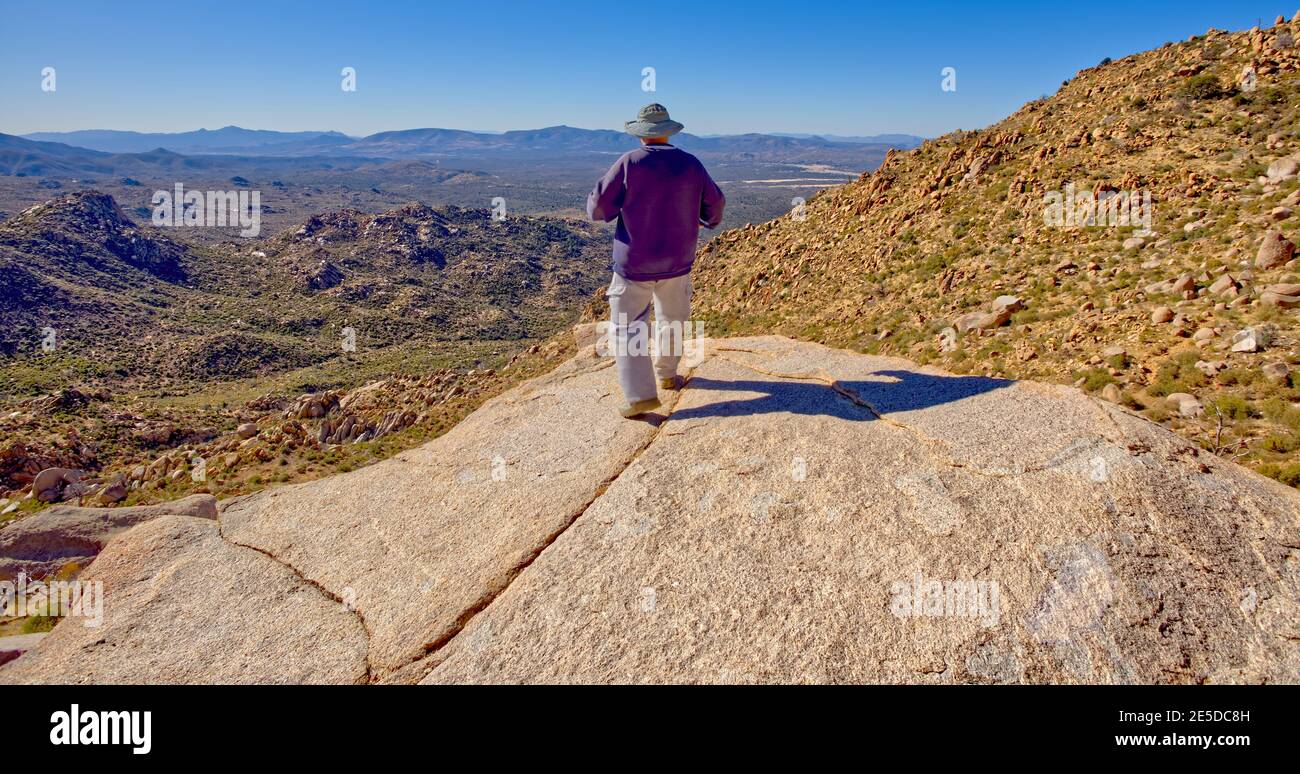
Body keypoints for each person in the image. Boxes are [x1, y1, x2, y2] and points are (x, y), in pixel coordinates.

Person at [586, 103, 726, 418]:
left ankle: (640, 396)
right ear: (668, 132)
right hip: (678, 259)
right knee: (673, 318)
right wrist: (706, 220)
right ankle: (667, 374)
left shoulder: (629, 163)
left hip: (635, 262)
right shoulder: (690, 164)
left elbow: (598, 209)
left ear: (640, 134)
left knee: (628, 327)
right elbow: (715, 204)